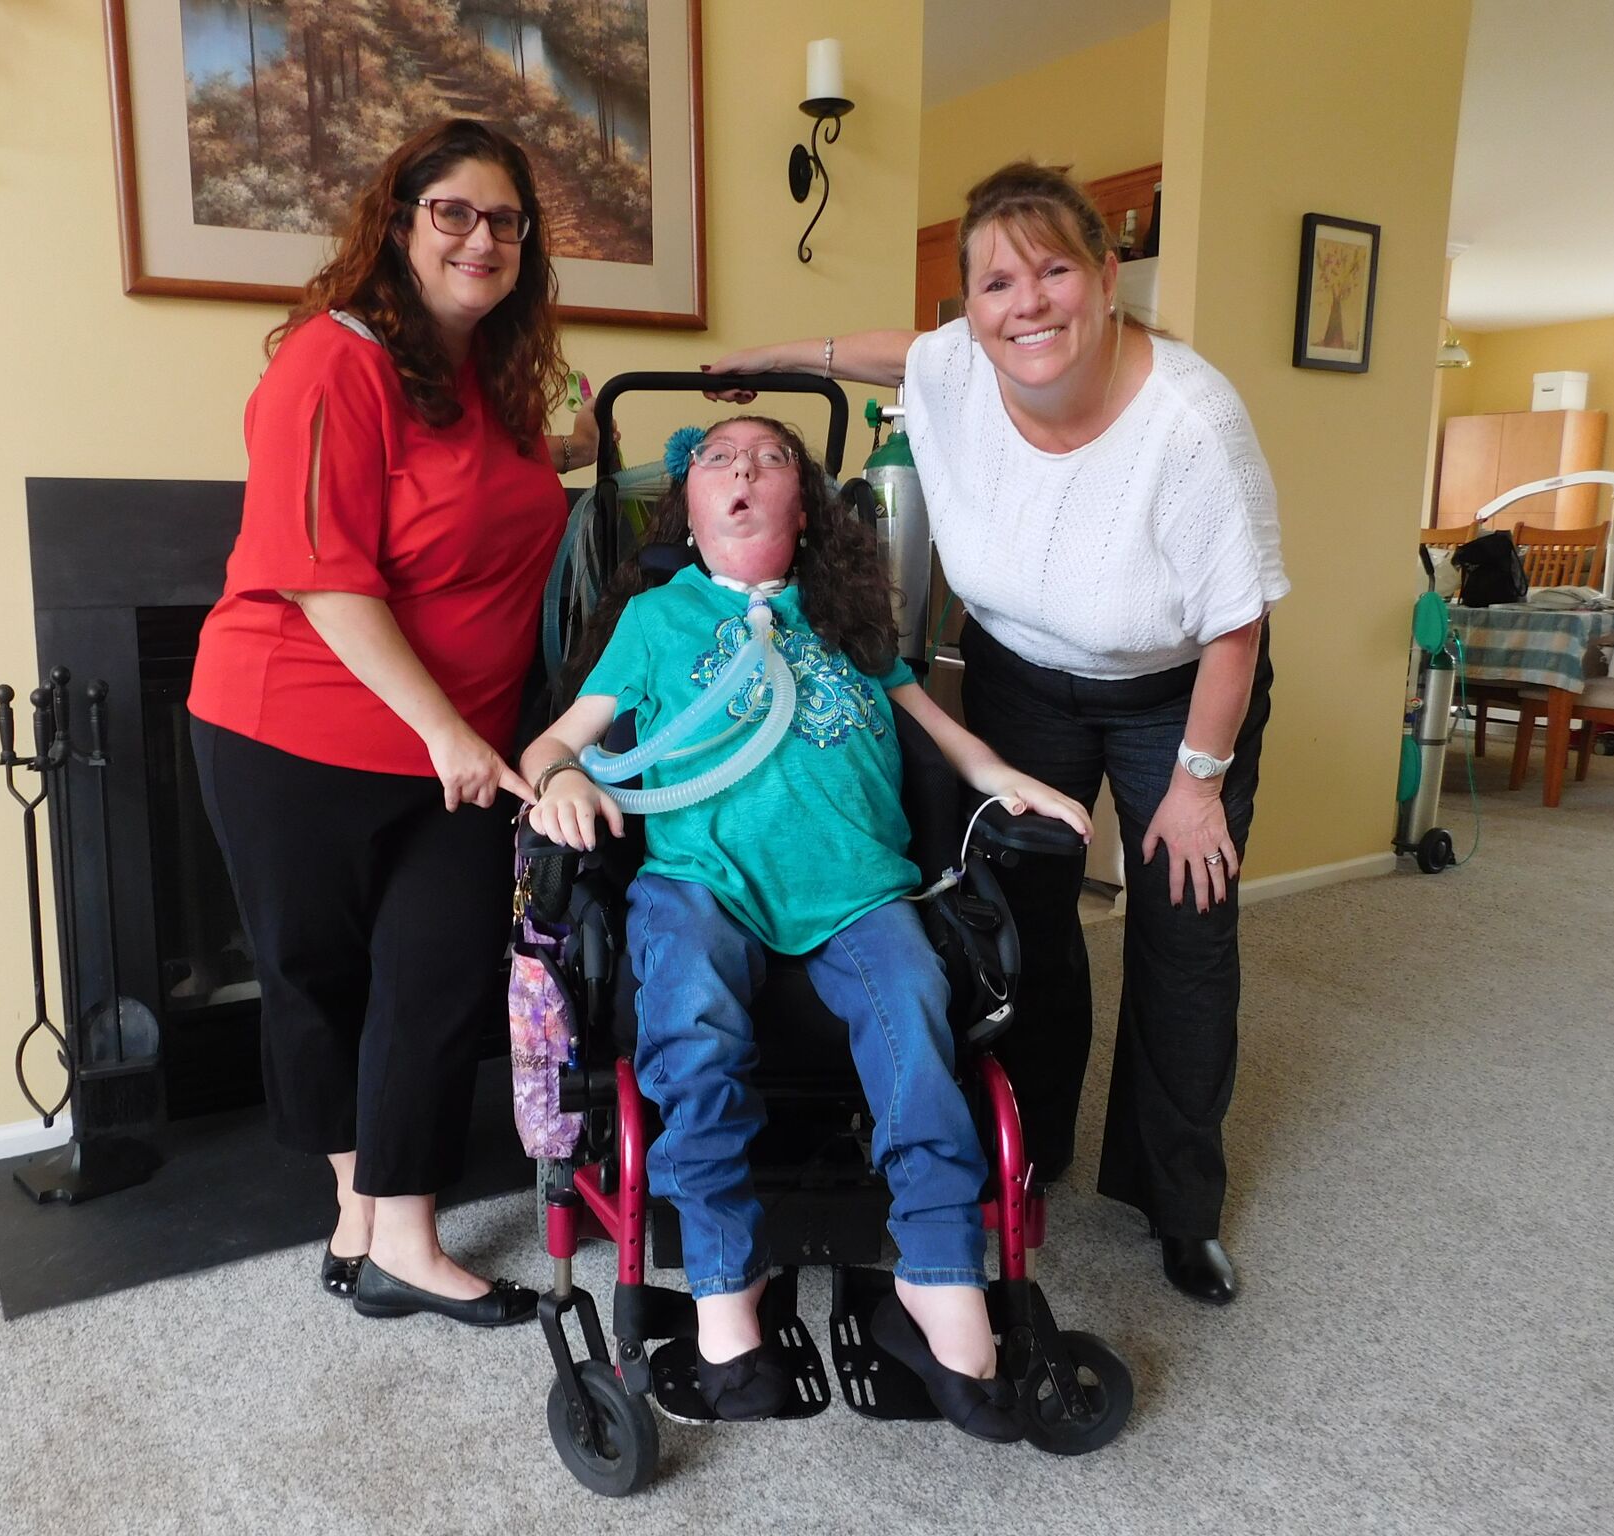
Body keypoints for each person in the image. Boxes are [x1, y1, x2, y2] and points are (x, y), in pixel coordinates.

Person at [706, 159, 1286, 1306]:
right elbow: (889, 353)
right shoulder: (960, 364)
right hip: (1024, 673)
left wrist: (1196, 785)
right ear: (967, 308)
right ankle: (1040, 1149)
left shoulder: (1190, 421)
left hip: (1179, 693)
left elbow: (1235, 626)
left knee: (1181, 929)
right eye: (993, 283)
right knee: (1020, 916)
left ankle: (1176, 1204)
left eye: (1052, 270)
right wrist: (775, 359)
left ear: (1105, 277)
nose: (1024, 303)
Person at [519, 417, 1091, 1436]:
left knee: (917, 1013)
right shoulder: (657, 620)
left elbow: (945, 739)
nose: (741, 470)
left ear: (806, 511)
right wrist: (559, 777)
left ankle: (936, 1273)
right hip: (704, 881)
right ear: (687, 514)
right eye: (714, 460)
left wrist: (1007, 782)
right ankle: (724, 1289)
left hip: (857, 891)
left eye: (769, 458)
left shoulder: (848, 626)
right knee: (688, 1023)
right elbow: (556, 742)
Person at [188, 120, 599, 1328]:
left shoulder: (500, 381)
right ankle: (358, 1212)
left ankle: (401, 1231)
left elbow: (507, 491)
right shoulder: (332, 359)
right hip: (292, 730)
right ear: (401, 222)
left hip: (460, 750)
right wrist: (450, 735)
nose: (482, 237)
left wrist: (625, 442)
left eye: (505, 220)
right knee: (315, 980)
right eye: (454, 213)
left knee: (433, 976)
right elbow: (321, 575)